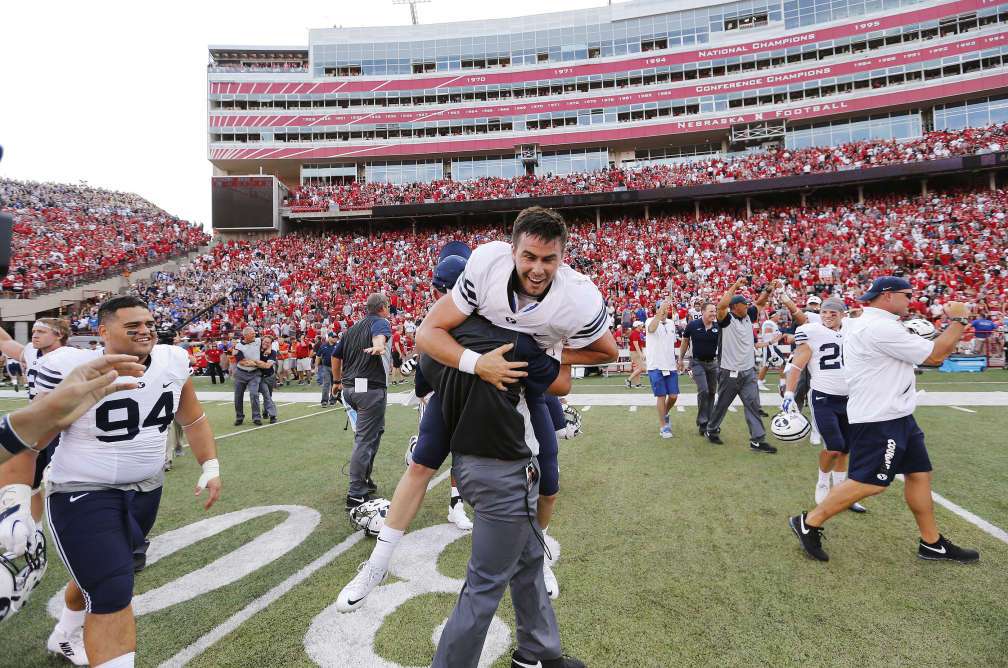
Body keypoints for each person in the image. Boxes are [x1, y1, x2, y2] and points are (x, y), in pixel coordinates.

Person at [34, 296, 222, 667]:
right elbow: (35, 436)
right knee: (113, 588)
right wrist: (23, 498)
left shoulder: (172, 360)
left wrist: (211, 465)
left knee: (107, 570)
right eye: (132, 325)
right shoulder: (70, 365)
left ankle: (64, 634)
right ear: (103, 331)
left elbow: (193, 419)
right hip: (82, 489)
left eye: (149, 323)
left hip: (146, 490)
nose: (145, 330)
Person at [420, 314, 582, 668]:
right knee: (484, 587)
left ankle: (540, 653)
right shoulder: (514, 341)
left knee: (528, 562)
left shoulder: (435, 344)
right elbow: (561, 384)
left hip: (469, 465)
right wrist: (559, 344)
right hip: (505, 468)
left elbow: (423, 385)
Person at [789, 277, 979, 563]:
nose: (911, 300)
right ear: (888, 296)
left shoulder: (866, 320)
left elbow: (854, 316)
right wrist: (959, 320)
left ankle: (932, 542)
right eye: (906, 295)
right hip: (879, 415)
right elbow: (937, 355)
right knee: (871, 482)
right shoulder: (879, 326)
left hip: (897, 413)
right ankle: (809, 521)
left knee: (918, 473)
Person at [782, 297, 866, 513]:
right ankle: (822, 481)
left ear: (842, 314)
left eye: (833, 313)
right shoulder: (813, 332)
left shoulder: (851, 331)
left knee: (846, 448)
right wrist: (789, 393)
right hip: (823, 398)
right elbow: (797, 365)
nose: (828, 316)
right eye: (824, 312)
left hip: (850, 398)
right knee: (835, 445)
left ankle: (840, 492)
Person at [705, 279, 805, 453]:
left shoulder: (748, 316)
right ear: (735, 307)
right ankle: (711, 429)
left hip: (748, 371)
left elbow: (759, 303)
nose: (747, 306)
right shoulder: (726, 319)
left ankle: (757, 440)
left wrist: (769, 289)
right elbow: (721, 306)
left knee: (752, 404)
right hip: (730, 372)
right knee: (722, 404)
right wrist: (735, 285)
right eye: (743, 304)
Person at [332, 293, 392, 509]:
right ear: (383, 307)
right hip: (370, 390)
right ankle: (356, 493)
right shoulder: (381, 323)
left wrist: (337, 380)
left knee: (374, 433)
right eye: (388, 306)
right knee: (365, 439)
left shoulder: (352, 328)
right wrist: (379, 345)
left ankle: (364, 481)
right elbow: (379, 335)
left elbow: (335, 355)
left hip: (351, 388)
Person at [678, 302, 720, 436]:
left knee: (712, 392)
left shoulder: (718, 326)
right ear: (702, 311)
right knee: (704, 390)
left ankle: (710, 422)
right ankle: (703, 422)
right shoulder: (692, 325)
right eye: (711, 311)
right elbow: (685, 342)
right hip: (697, 363)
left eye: (715, 311)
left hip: (713, 363)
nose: (714, 314)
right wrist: (680, 359)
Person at [645, 298, 679, 439]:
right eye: (661, 308)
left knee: (673, 396)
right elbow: (651, 329)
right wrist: (659, 313)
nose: (664, 311)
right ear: (657, 309)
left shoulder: (671, 323)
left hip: (670, 365)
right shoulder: (650, 321)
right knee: (661, 396)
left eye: (665, 309)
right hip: (655, 366)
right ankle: (663, 426)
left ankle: (664, 413)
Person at [232, 327, 262, 426]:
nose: (255, 335)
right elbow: (242, 362)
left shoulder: (258, 341)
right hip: (241, 373)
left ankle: (256, 417)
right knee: (238, 396)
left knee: (254, 394)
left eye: (254, 333)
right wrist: (259, 364)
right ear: (245, 335)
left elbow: (269, 341)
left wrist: (270, 348)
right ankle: (239, 417)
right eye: (252, 333)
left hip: (254, 373)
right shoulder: (238, 346)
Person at [756, 310, 785, 391]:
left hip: (771, 347)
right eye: (777, 315)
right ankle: (782, 384)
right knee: (781, 364)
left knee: (767, 365)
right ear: (773, 316)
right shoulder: (769, 323)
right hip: (770, 348)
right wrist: (772, 347)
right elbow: (768, 336)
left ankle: (760, 382)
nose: (779, 317)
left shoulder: (771, 323)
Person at [256, 335, 278, 424]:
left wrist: (256, 362)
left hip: (270, 376)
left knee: (269, 396)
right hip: (260, 377)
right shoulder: (256, 350)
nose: (265, 343)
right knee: (267, 395)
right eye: (264, 341)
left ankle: (265, 411)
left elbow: (268, 365)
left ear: (271, 344)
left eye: (268, 342)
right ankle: (273, 415)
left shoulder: (272, 352)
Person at [316, 332, 337, 406]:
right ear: (329, 337)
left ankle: (333, 400)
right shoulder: (323, 346)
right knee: (326, 384)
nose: (335, 338)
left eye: (336, 337)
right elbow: (318, 356)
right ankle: (324, 400)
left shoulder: (338, 346)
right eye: (333, 337)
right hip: (326, 367)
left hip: (336, 367)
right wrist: (316, 366)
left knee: (335, 384)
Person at [626, 320, 645, 388]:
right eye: (640, 325)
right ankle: (628, 380)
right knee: (640, 368)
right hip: (635, 352)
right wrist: (641, 354)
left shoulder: (638, 333)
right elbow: (636, 345)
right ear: (637, 326)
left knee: (638, 369)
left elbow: (639, 344)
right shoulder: (635, 333)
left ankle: (638, 384)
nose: (642, 326)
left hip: (636, 352)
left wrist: (641, 352)